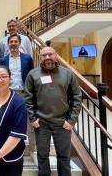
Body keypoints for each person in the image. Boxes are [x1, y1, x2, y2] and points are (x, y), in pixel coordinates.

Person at [25, 46, 82, 176]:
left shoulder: (68, 74)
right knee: (42, 156)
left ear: (56, 55)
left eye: (50, 54)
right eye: (44, 55)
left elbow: (77, 97)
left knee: (63, 156)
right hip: (41, 123)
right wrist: (33, 118)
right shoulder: (32, 74)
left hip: (62, 123)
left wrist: (71, 120)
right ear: (40, 57)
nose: (47, 57)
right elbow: (27, 98)